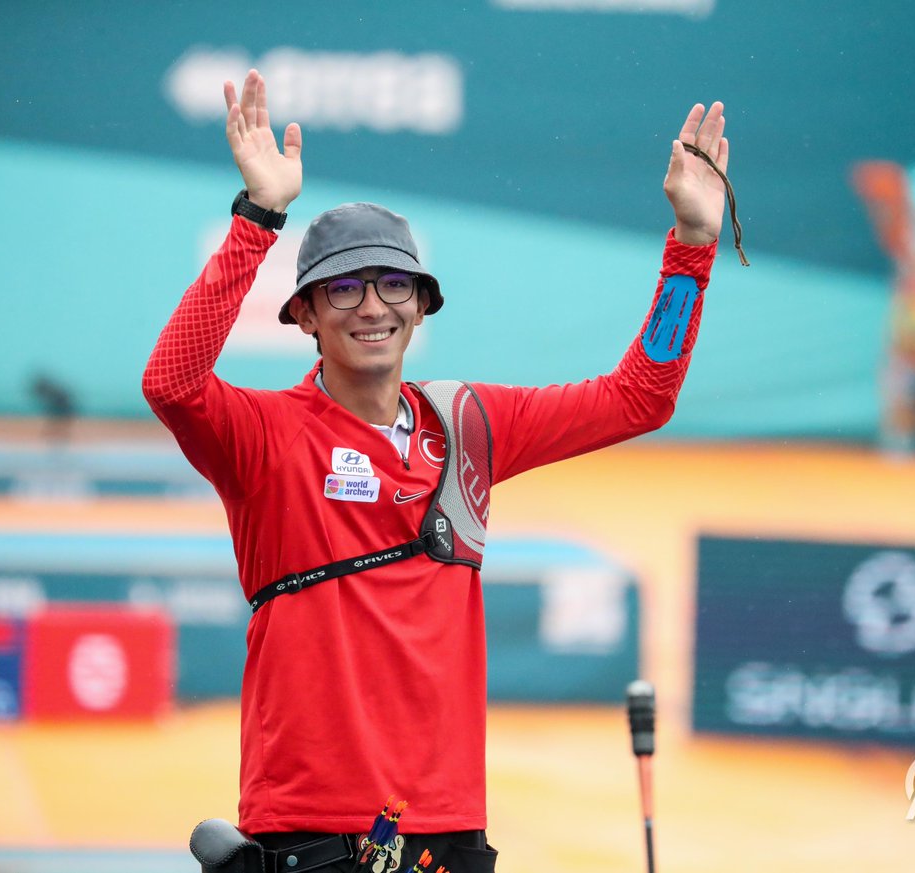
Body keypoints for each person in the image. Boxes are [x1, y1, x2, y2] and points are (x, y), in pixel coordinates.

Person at [144, 69, 729, 873]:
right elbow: (170, 382)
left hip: (447, 829)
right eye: (342, 288)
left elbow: (641, 396)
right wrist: (259, 218)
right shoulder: (266, 435)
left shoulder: (470, 425)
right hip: (310, 826)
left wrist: (691, 248)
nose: (371, 305)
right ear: (305, 316)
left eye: (392, 284)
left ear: (421, 306)